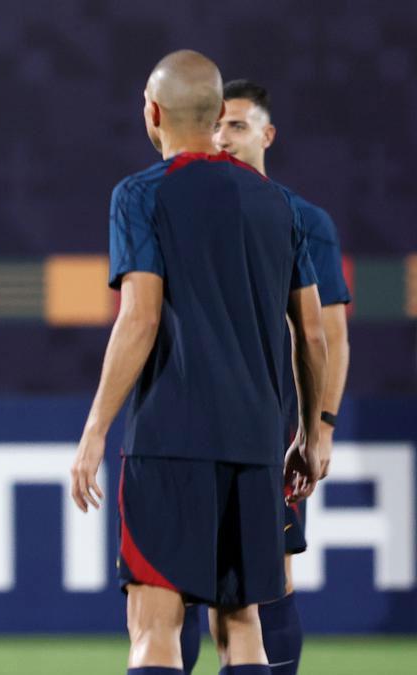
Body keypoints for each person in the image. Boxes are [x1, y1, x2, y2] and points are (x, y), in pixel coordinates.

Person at [69, 50, 328, 675]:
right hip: (258, 442)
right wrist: (309, 432)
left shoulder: (140, 194)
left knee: (154, 623)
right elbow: (312, 333)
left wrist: (96, 428)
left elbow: (140, 317)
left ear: (154, 113)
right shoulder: (279, 205)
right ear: (216, 117)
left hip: (171, 440)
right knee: (242, 626)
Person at [168, 78, 351, 675]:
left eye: (238, 125)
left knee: (269, 578)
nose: (224, 137)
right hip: (193, 420)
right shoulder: (189, 207)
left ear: (268, 135)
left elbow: (326, 335)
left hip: (270, 427)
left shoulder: (302, 219)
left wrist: (319, 427)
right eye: (217, 125)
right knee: (181, 585)